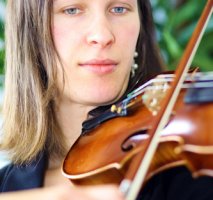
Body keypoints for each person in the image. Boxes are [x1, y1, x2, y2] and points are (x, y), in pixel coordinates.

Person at [0, 0, 213, 200]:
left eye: (119, 8)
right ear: (31, 34)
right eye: (72, 9)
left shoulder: (185, 170)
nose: (102, 35)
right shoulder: (6, 187)